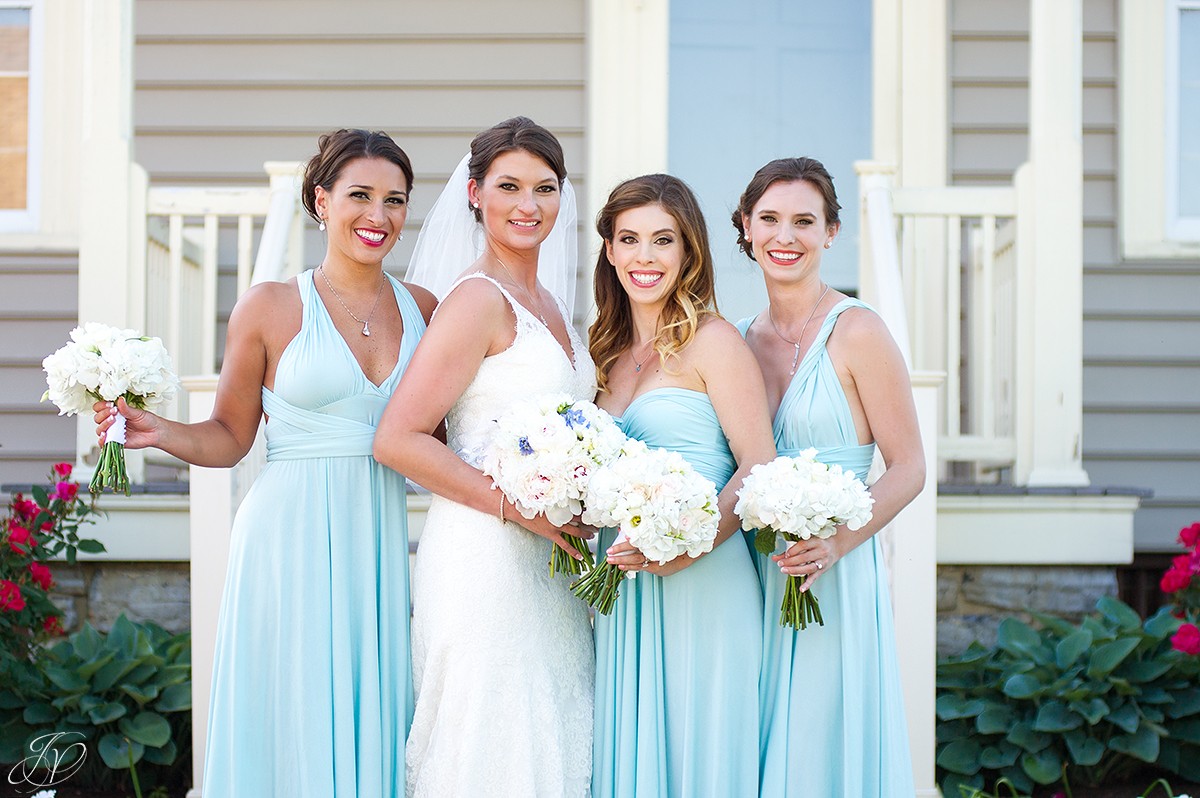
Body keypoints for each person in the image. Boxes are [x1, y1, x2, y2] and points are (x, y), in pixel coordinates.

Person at [93, 129, 436, 797]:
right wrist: (159, 430)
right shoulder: (271, 306)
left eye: (394, 200)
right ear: (320, 200)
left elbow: (443, 436)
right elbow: (229, 435)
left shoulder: (424, 309)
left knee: (373, 701)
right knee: (291, 704)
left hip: (375, 537)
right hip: (287, 536)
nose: (378, 216)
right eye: (359, 196)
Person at [373, 116, 594, 797]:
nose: (528, 205)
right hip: (485, 559)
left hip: (548, 562)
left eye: (545, 188)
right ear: (474, 195)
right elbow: (398, 438)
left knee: (551, 730)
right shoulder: (475, 301)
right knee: (492, 743)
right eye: (509, 186)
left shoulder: (552, 303)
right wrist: (516, 507)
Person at [731, 156, 924, 796]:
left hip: (836, 569)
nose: (785, 237)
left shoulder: (859, 331)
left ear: (831, 233)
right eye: (770, 220)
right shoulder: (735, 340)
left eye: (804, 222)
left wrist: (837, 542)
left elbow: (910, 467)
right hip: (756, 569)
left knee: (820, 737)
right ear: (746, 226)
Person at [587, 174, 777, 797]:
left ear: (688, 252)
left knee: (701, 755)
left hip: (704, 581)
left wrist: (690, 544)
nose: (646, 257)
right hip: (624, 587)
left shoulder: (714, 342)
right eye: (631, 239)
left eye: (663, 240)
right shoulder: (605, 355)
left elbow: (757, 463)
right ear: (610, 251)